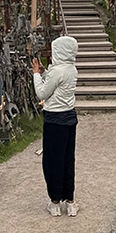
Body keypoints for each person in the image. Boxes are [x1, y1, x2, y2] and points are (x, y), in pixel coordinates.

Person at [32, 35, 79, 217]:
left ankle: (55, 202)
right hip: (69, 117)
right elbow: (57, 86)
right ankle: (71, 201)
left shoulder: (57, 71)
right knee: (68, 159)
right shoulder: (71, 69)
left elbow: (42, 93)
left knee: (53, 161)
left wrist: (37, 74)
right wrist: (45, 73)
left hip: (54, 120)